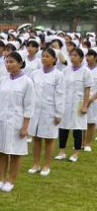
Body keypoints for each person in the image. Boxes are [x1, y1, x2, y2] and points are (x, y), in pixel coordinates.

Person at [0, 51, 35, 192]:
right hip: (2, 120)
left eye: (11, 62)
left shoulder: (27, 83)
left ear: (20, 63)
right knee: (2, 151)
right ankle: (1, 179)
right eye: (7, 62)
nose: (8, 65)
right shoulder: (2, 81)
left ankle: (11, 180)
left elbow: (29, 106)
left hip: (17, 121)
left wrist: (25, 127)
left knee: (15, 153)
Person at [28, 48, 63, 176]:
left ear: (54, 59)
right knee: (36, 137)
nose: (44, 58)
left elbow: (60, 95)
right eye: (43, 56)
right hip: (36, 110)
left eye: (47, 56)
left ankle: (47, 165)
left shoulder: (59, 75)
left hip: (50, 110)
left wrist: (59, 113)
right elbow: (30, 93)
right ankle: (36, 164)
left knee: (49, 138)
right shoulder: (35, 74)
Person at [56, 47, 93, 162]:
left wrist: (85, 105)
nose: (72, 57)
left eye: (75, 55)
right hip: (66, 102)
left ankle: (76, 153)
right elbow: (61, 87)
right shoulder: (65, 71)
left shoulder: (86, 71)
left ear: (81, 58)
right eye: (71, 55)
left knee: (77, 128)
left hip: (78, 102)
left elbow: (87, 89)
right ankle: (61, 152)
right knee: (63, 127)